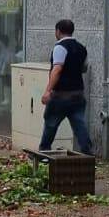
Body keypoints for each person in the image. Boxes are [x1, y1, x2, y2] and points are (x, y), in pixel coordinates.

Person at [40, 19, 93, 154]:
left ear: (58, 31)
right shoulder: (82, 48)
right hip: (78, 95)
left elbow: (57, 69)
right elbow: (84, 68)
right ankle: (87, 153)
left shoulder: (60, 47)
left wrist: (48, 91)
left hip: (60, 96)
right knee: (79, 124)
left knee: (51, 124)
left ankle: (44, 153)